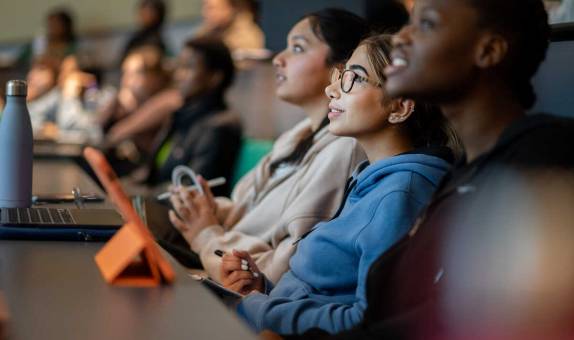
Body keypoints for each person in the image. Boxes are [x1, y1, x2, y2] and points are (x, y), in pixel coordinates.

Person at [293, 0, 574, 339]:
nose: (400, 39)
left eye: (426, 24)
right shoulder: (458, 176)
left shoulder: (545, 154)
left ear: (487, 51)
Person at [224, 34, 456, 335]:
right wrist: (263, 288)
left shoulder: (400, 194)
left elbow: (364, 323)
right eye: (340, 77)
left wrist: (259, 307)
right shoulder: (370, 177)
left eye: (355, 79)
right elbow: (331, 292)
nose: (331, 89)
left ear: (399, 107)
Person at [166, 8, 369, 281]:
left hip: (233, 284)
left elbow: (283, 265)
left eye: (297, 48)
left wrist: (206, 235)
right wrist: (208, 209)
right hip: (214, 258)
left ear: (341, 70)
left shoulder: (345, 148)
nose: (278, 59)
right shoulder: (297, 135)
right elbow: (245, 210)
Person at [136, 37, 242, 195]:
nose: (178, 75)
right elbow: (152, 174)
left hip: (175, 214)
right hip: (155, 205)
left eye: (188, 67)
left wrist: (136, 195)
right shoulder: (183, 115)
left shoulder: (219, 126)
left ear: (214, 77)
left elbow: (190, 191)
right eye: (179, 66)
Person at [99, 45, 172, 166]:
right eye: (125, 72)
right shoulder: (134, 102)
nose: (127, 79)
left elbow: (117, 133)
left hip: (154, 171)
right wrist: (117, 99)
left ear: (155, 76)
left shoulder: (167, 99)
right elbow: (97, 126)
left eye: (136, 73)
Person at [194, 0, 265, 52]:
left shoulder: (248, 35)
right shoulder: (205, 31)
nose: (204, 13)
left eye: (211, 8)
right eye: (203, 6)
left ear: (230, 9)